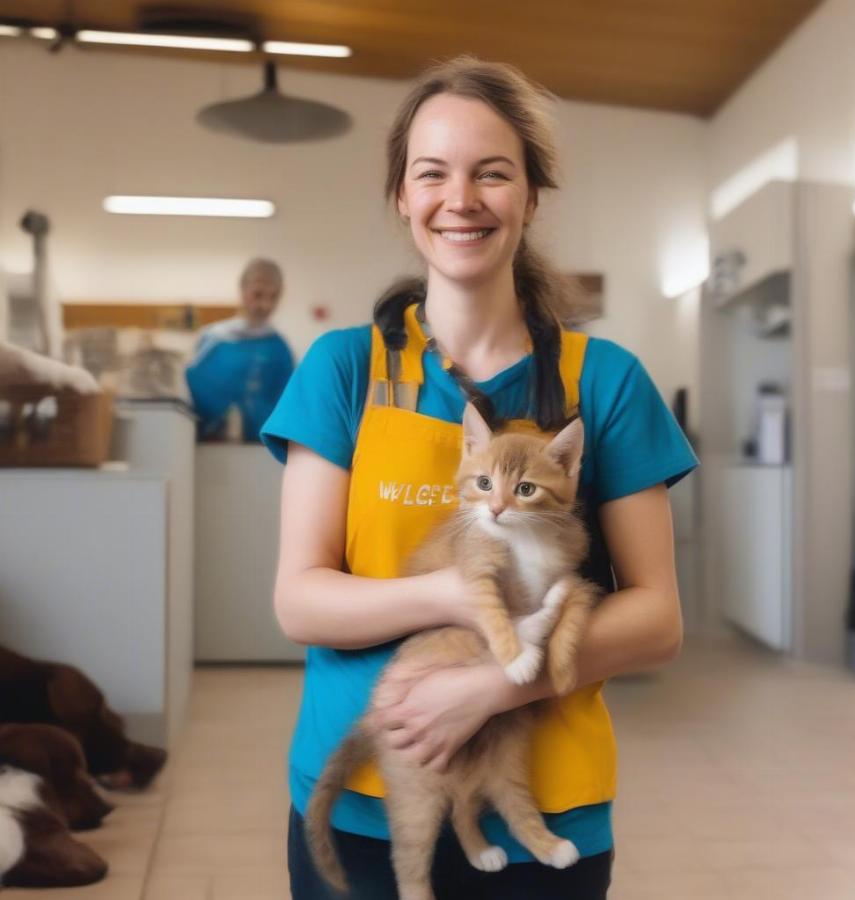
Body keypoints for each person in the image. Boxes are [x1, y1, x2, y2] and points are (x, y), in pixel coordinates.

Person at [262, 57, 698, 900]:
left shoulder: (602, 382)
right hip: (365, 806)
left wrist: (492, 687)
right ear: (402, 194)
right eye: (432, 174)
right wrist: (459, 599)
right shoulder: (345, 370)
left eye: (491, 174)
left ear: (531, 197)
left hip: (547, 810)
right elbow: (300, 601)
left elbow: (658, 622)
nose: (459, 199)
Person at [185, 258, 294, 442]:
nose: (265, 305)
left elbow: (286, 411)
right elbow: (190, 391)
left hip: (256, 451)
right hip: (203, 446)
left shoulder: (278, 350)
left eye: (273, 297)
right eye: (258, 295)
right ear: (243, 289)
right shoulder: (213, 340)